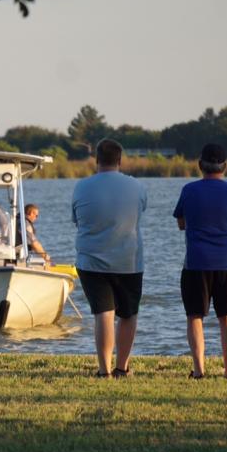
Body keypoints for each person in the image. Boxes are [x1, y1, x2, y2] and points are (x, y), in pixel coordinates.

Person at [72, 139, 147, 379]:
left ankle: (104, 371)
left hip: (91, 261)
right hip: (129, 261)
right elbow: (140, 212)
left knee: (103, 314)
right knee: (128, 314)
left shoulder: (81, 187)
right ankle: (122, 367)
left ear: (96, 160)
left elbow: (76, 218)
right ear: (120, 160)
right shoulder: (136, 186)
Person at [173, 144, 227, 379]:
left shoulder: (189, 190)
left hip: (196, 262)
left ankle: (199, 369)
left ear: (200, 165)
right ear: (224, 166)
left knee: (195, 315)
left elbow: (181, 223)